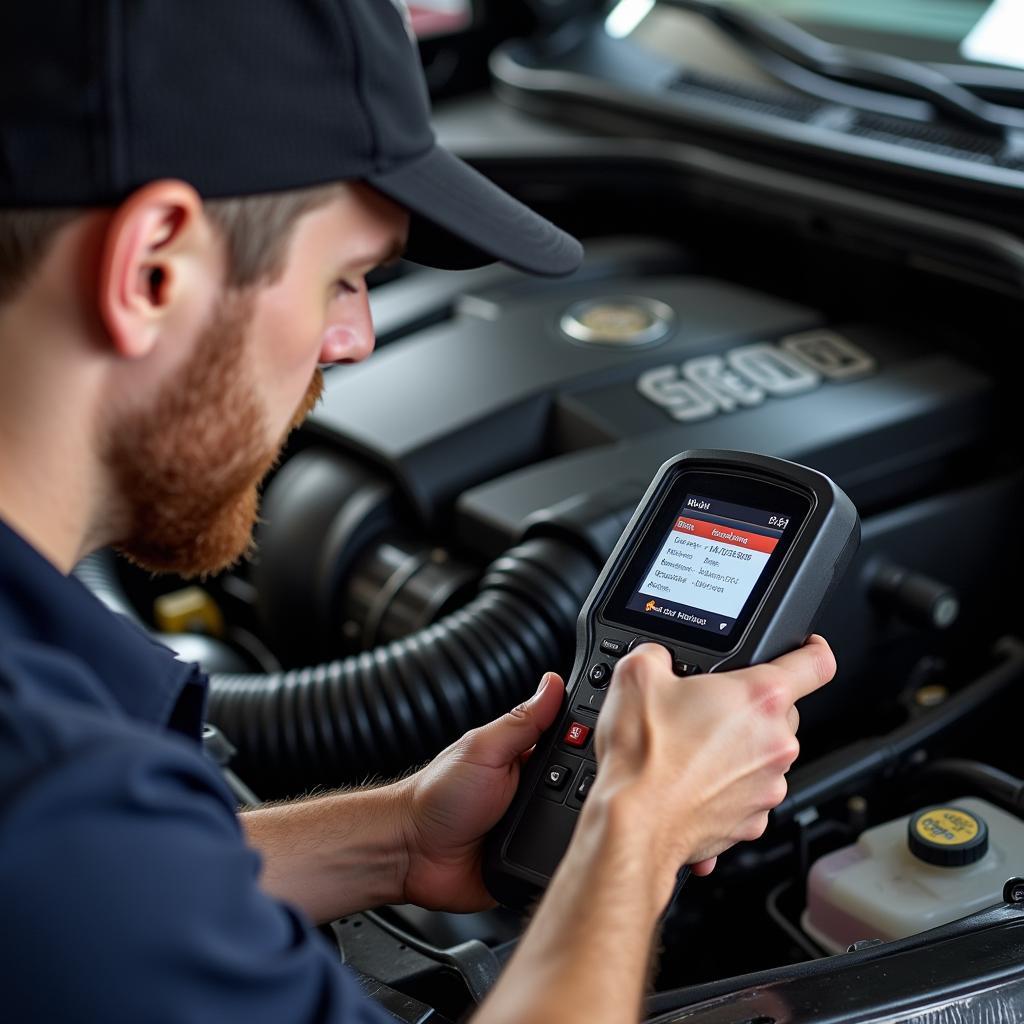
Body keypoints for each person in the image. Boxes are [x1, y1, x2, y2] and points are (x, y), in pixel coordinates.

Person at [0, 2, 835, 1021]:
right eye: (344, 277)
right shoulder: (47, 779)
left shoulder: (51, 784)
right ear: (153, 268)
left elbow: (98, 895)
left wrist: (397, 838)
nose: (353, 337)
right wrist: (635, 830)